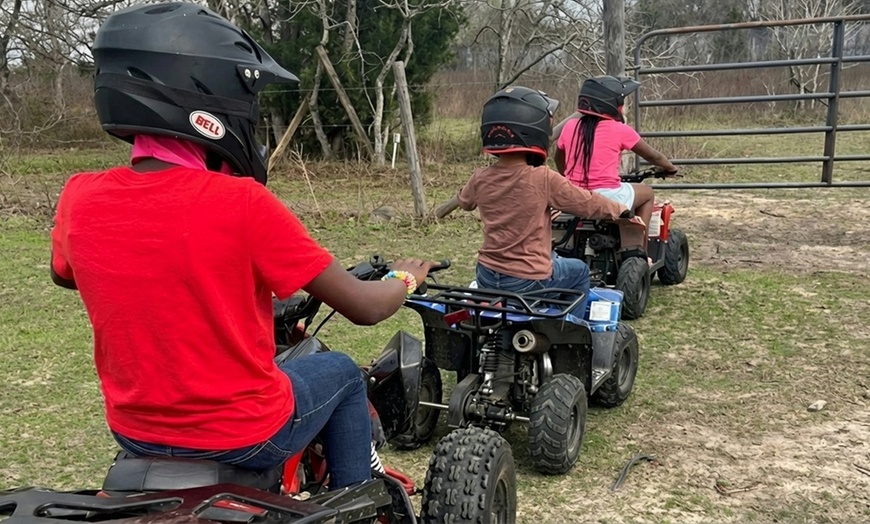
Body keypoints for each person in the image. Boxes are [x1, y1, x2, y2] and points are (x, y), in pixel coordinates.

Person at [49, 2, 435, 492]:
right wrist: (404, 277)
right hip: (244, 436)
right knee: (340, 370)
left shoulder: (80, 196)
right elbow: (366, 307)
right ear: (214, 100)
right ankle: (356, 500)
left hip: (135, 434)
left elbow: (66, 273)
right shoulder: (242, 203)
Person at [456, 86, 634, 318]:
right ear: (537, 132)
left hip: (487, 275)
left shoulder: (480, 177)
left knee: (554, 259)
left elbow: (465, 202)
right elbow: (588, 203)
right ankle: (569, 329)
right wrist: (620, 210)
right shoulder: (543, 178)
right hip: (526, 280)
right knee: (580, 271)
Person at [555, 75, 677, 257]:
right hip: (606, 195)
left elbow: (558, 158)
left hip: (572, 194)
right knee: (647, 193)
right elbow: (653, 156)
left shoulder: (570, 126)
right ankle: (640, 251)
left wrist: (568, 178)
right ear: (614, 105)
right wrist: (670, 168)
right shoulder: (620, 129)